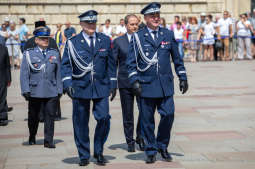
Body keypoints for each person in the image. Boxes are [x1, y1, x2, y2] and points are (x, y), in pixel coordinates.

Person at [126, 2, 188, 164]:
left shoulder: (167, 34)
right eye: (152, 16)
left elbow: (176, 58)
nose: (156, 18)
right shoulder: (138, 37)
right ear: (145, 18)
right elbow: (131, 62)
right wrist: (134, 81)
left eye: (157, 15)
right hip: (146, 84)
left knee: (168, 114)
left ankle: (162, 145)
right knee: (147, 120)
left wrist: (182, 76)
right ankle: (151, 150)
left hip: (165, 84)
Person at [61, 10, 117, 166]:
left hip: (101, 86)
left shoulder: (105, 40)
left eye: (93, 22)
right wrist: (67, 84)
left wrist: (113, 84)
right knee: (80, 122)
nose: (91, 25)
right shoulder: (72, 42)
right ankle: (84, 155)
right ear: (81, 24)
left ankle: (98, 151)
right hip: (80, 87)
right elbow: (65, 65)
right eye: (88, 23)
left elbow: (111, 64)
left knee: (104, 118)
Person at [20, 26, 62, 148]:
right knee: (33, 116)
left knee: (50, 116)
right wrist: (25, 90)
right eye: (42, 38)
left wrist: (59, 89)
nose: (45, 40)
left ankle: (48, 140)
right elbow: (24, 73)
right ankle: (32, 135)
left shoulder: (54, 53)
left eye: (47, 38)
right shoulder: (29, 54)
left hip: (51, 90)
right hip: (35, 90)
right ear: (36, 40)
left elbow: (58, 73)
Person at [112, 14, 145, 153]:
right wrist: (112, 83)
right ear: (126, 25)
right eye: (131, 24)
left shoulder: (144, 39)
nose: (134, 26)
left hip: (142, 82)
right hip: (125, 82)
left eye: (136, 24)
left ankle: (140, 137)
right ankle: (130, 141)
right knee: (128, 114)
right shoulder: (119, 41)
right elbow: (113, 63)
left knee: (145, 111)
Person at [0, 43, 11, 126]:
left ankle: (3, 118)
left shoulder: (4, 49)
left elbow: (7, 65)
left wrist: (9, 78)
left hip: (2, 77)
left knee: (2, 97)